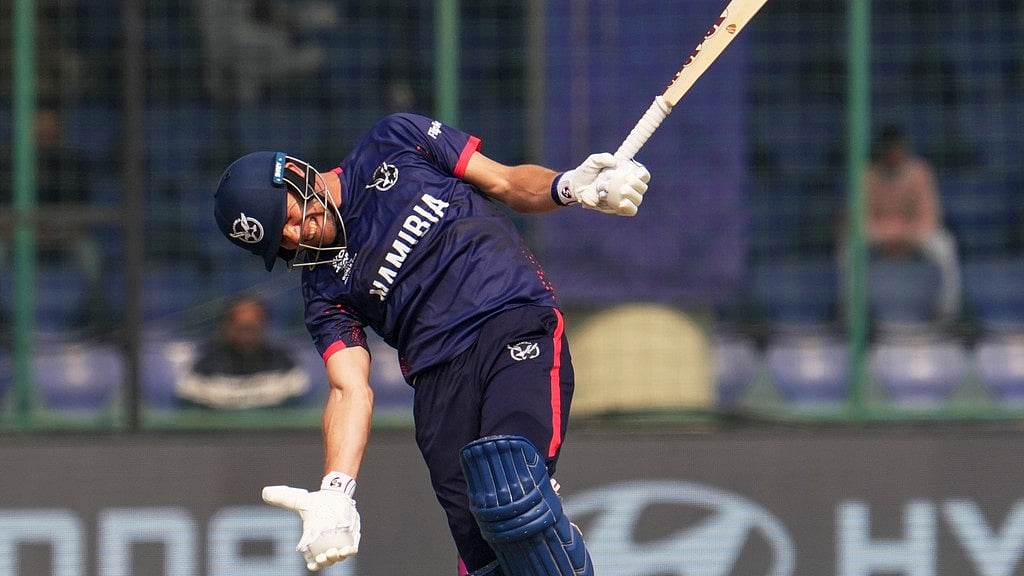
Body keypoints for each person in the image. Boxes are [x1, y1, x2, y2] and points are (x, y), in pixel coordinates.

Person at [212, 112, 649, 575]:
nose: (296, 236)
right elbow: (348, 388)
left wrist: (569, 188)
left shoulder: (393, 141)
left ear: (297, 174)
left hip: (511, 325)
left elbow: (504, 182)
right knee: (485, 562)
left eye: (289, 218)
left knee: (512, 487)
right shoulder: (323, 291)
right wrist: (336, 490)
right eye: (280, 242)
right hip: (438, 385)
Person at [863, 124, 961, 322]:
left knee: (945, 245)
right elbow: (861, 219)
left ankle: (948, 308)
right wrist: (891, 238)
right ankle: (851, 309)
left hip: (914, 234)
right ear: (881, 150)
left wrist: (907, 238)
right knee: (850, 247)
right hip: (881, 235)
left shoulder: (920, 172)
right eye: (889, 149)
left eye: (898, 148)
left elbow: (930, 215)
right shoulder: (868, 175)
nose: (894, 153)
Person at [175, 295, 310, 409]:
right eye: (240, 328)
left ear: (263, 327)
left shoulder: (284, 364)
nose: (246, 336)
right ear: (226, 327)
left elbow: (294, 408)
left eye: (251, 328)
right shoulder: (204, 367)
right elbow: (190, 412)